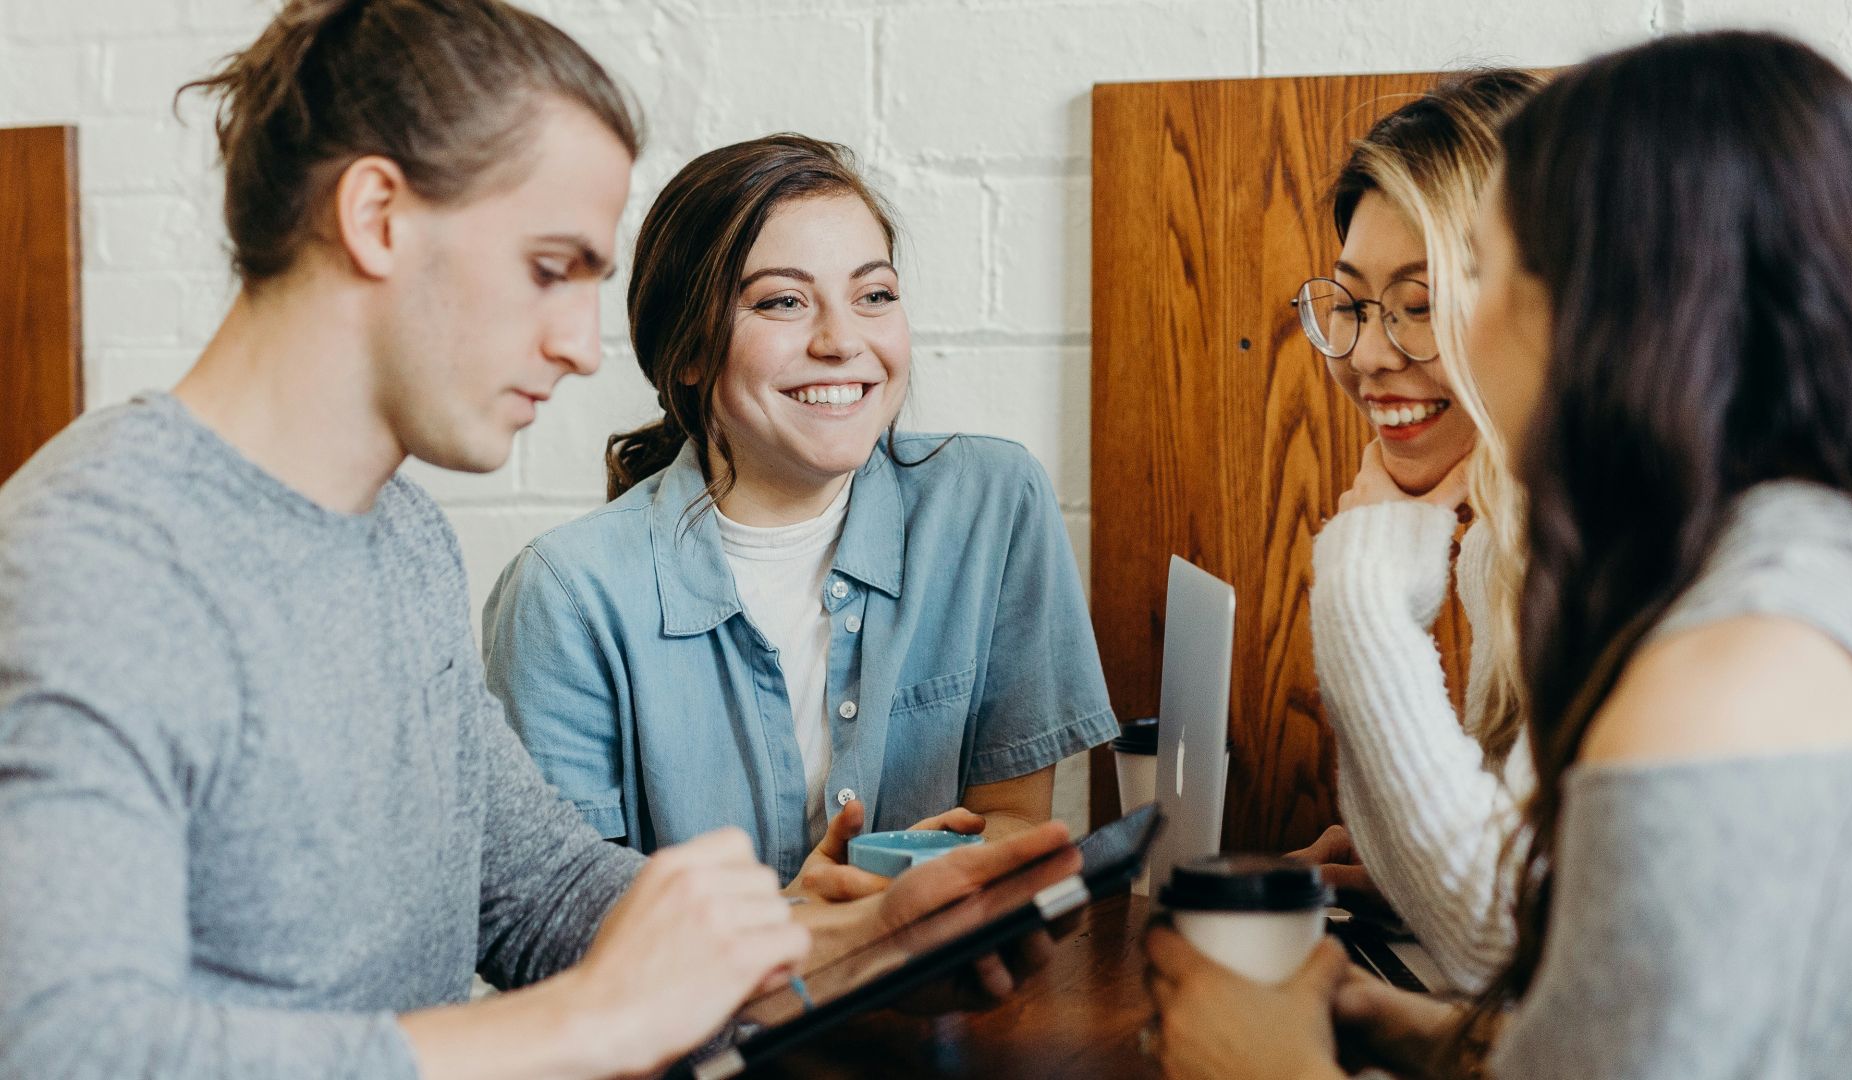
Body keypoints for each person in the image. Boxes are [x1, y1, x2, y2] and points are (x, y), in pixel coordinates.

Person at [0, 4, 1074, 1078]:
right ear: (376, 215)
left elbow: (540, 891)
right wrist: (586, 1024)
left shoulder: (397, 536)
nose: (574, 344)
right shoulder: (98, 562)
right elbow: (63, 1049)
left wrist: (843, 952)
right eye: (549, 268)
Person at [1148, 30, 1852, 1079]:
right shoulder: (1819, 572)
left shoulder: (1722, 675)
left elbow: (1522, 945)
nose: (1395, 344)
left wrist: (1270, 1067)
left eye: (1474, 271)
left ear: (1616, 305)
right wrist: (1425, 1033)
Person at [482, 134, 1117, 896]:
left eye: (873, 295)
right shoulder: (565, 594)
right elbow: (564, 924)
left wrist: (915, 885)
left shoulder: (992, 504)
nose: (842, 341)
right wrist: (805, 925)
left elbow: (1014, 817)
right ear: (686, 351)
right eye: (783, 301)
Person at [1285, 70, 1541, 992]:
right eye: (1350, 305)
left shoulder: (1618, 549)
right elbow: (1529, 907)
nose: (1367, 354)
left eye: (1421, 305)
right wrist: (1405, 867)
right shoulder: (1505, 542)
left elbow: (1502, 943)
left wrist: (1360, 589)